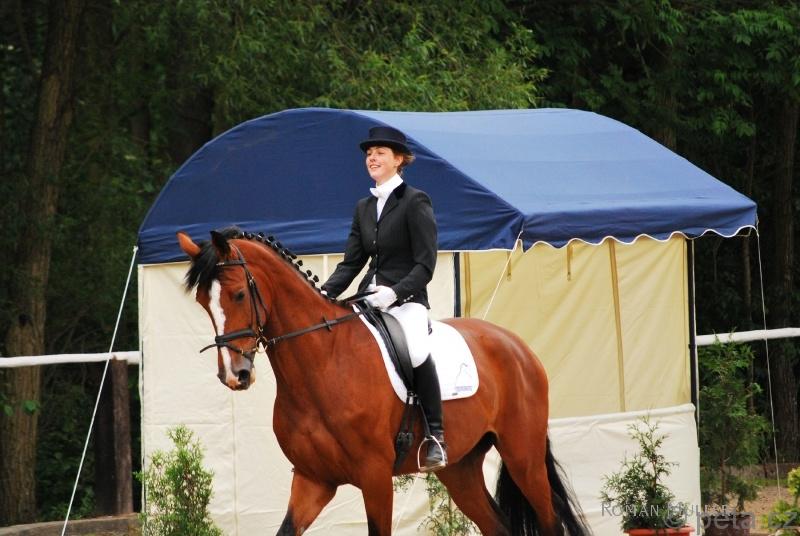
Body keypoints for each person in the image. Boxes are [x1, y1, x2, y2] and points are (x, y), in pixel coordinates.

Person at [321, 125, 446, 472]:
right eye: (369, 153)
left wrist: (395, 292)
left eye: (380, 153)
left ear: (399, 159)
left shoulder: (415, 201)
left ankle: (436, 435)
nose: (372, 158)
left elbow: (425, 264)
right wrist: (324, 293)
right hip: (369, 298)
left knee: (416, 351)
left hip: (407, 300)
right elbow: (351, 263)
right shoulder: (364, 207)